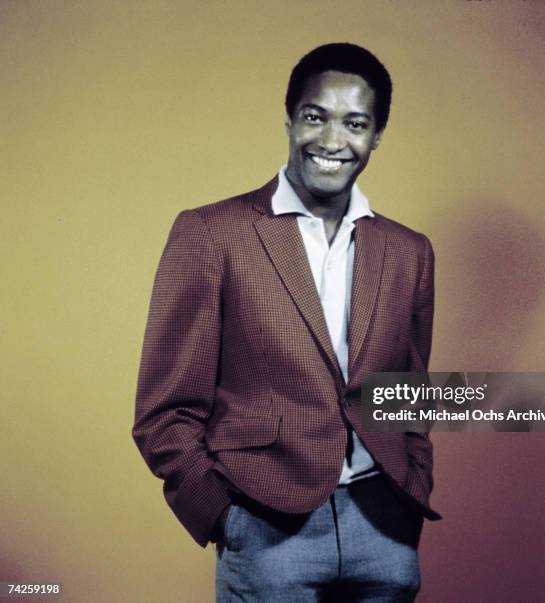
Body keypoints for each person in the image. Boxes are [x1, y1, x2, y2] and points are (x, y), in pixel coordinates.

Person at [133, 42, 440, 602]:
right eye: (315, 116)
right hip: (266, 530)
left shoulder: (410, 252)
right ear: (290, 119)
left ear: (375, 137)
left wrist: (410, 491)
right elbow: (164, 410)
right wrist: (225, 518)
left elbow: (409, 394)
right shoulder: (212, 233)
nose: (331, 140)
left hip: (384, 529)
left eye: (354, 123)